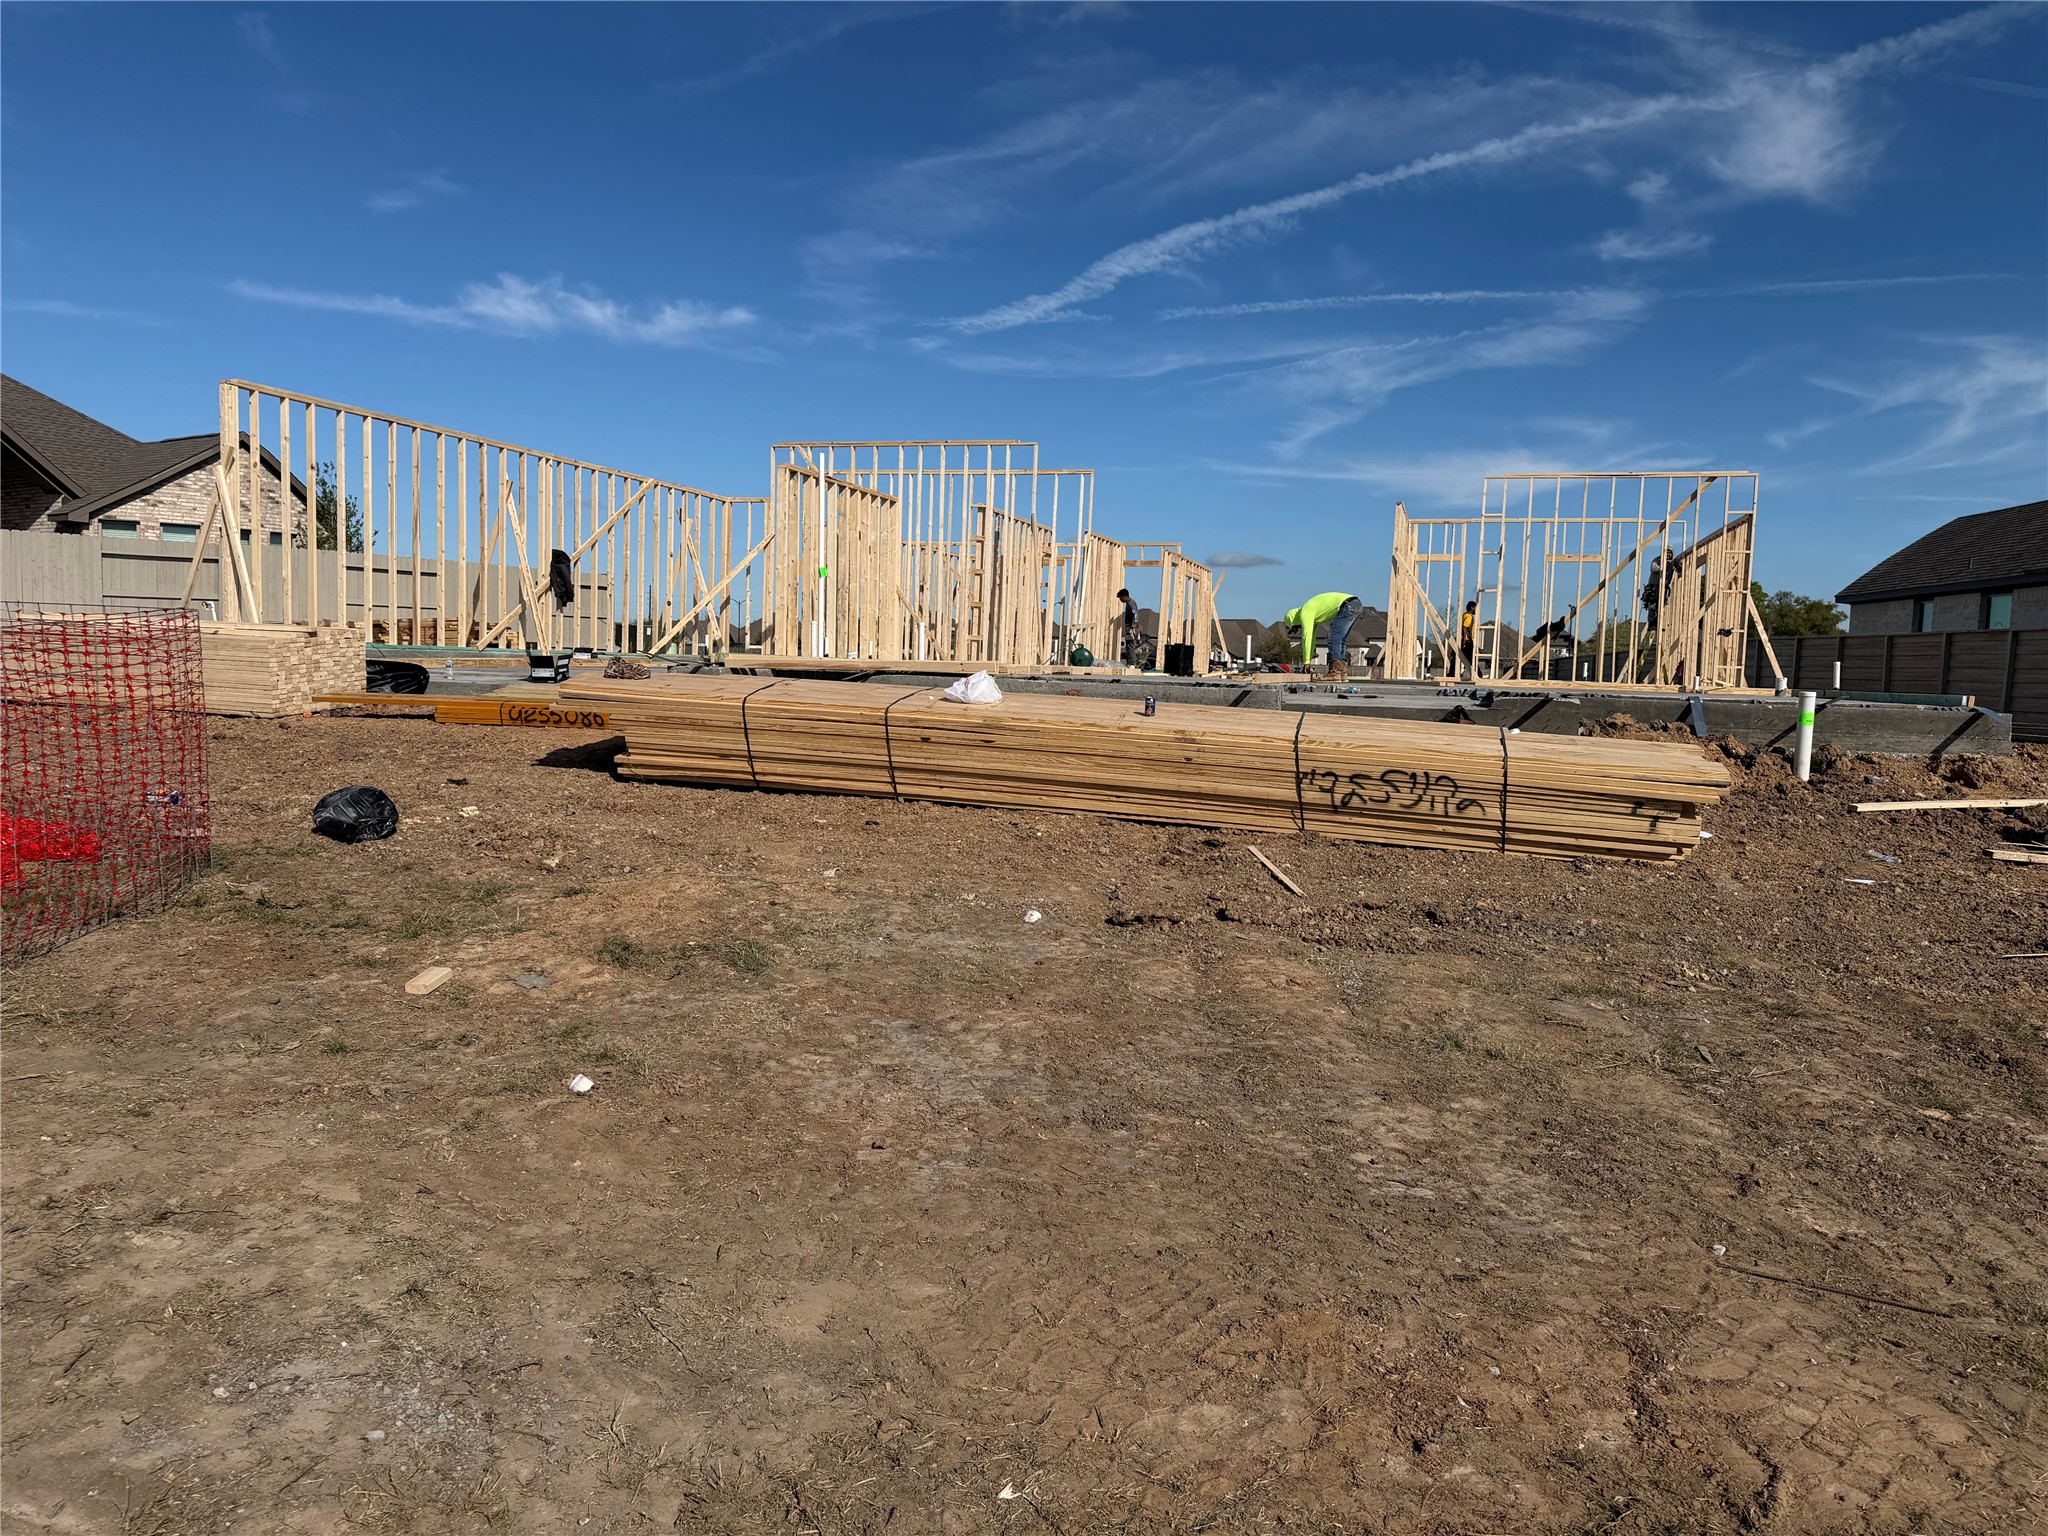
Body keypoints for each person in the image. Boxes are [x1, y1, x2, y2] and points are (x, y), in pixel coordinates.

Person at [1282, 591, 1363, 681]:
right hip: (1354, 604)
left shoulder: (1305, 613)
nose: (1299, 629)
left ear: (1293, 620)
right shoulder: (1312, 615)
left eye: (1296, 627)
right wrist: (1308, 660)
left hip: (1347, 606)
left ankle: (1335, 672)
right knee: (1340, 639)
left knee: (1333, 637)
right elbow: (1312, 639)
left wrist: (1306, 662)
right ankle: (1342, 673)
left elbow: (1306, 637)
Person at [1116, 588, 1142, 666]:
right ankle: (1129, 663)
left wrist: (1134, 624)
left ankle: (1132, 664)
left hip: (1131, 628)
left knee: (1130, 645)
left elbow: (1136, 614)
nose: (1120, 600)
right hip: (1129, 627)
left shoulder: (1131, 603)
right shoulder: (1129, 603)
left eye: (1121, 598)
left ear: (1125, 597)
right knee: (1128, 645)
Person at [1457, 600, 1477, 678]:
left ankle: (1451, 673)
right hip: (1467, 640)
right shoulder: (1469, 616)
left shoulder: (1464, 615)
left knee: (1458, 657)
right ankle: (1479, 674)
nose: (1476, 610)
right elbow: (1465, 628)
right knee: (1471, 658)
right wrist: (1466, 639)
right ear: (1472, 608)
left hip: (1462, 639)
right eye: (1475, 608)